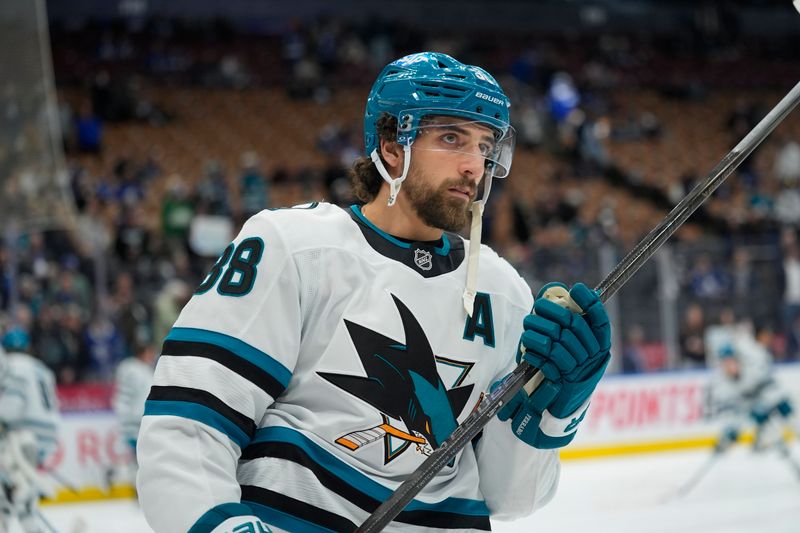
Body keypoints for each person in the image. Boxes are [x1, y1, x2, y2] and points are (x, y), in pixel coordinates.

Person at [137, 52, 611, 533]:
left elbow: (513, 497)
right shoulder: (294, 248)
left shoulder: (504, 293)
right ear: (391, 145)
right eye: (451, 138)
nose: (475, 165)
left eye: (486, 145)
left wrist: (559, 401)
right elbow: (187, 427)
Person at [0, 328, 60, 533]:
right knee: (22, 498)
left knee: (8, 494)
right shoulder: (41, 368)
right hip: (45, 437)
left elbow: (12, 408)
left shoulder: (13, 366)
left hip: (23, 436)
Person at [707, 319, 795, 454]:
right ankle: (766, 441)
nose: (729, 367)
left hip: (770, 398)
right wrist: (728, 435)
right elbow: (734, 413)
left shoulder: (752, 368)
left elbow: (771, 387)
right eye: (725, 363)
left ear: (738, 360)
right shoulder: (723, 385)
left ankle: (771, 440)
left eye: (731, 362)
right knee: (761, 423)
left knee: (788, 412)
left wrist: (767, 405)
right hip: (752, 407)